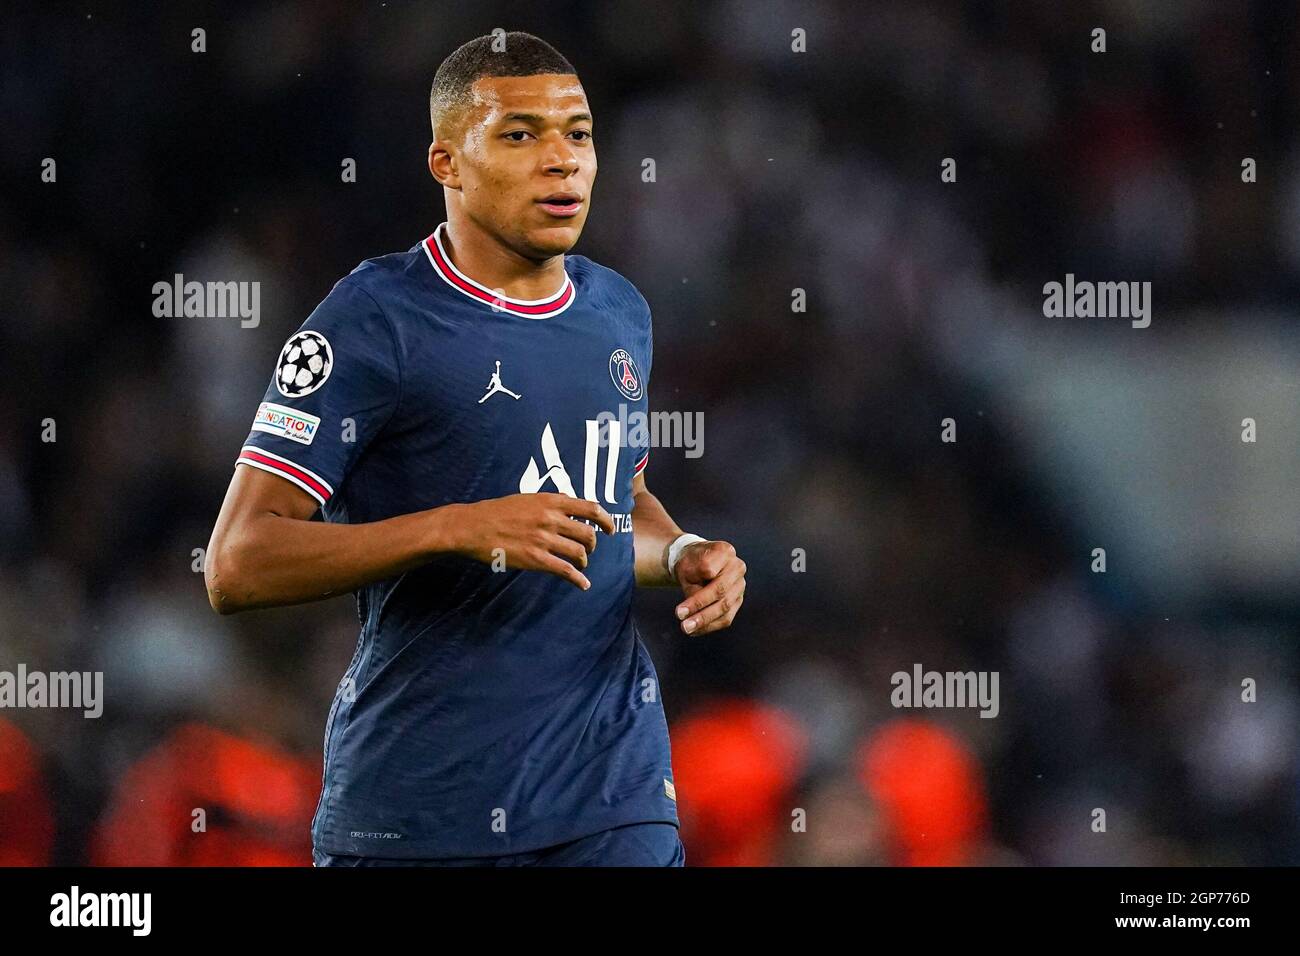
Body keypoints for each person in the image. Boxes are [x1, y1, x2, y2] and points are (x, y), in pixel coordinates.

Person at [204, 31, 747, 867]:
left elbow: (604, 513)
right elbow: (236, 564)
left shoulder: (620, 314)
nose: (562, 161)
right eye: (521, 135)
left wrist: (682, 551)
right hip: (421, 808)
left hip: (609, 796)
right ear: (447, 164)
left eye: (579, 132)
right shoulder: (373, 319)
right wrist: (452, 527)